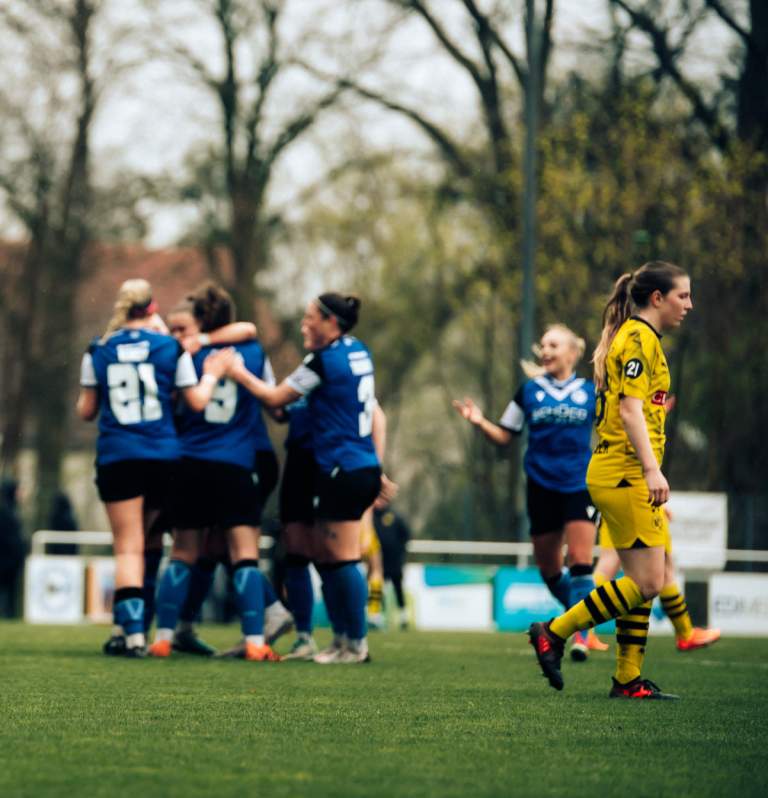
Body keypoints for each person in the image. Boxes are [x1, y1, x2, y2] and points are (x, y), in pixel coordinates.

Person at [529, 260, 693, 699]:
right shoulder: (638, 336)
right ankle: (554, 633)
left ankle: (627, 678)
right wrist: (652, 468)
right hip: (624, 473)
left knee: (644, 580)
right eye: (683, 296)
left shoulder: (638, 337)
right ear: (656, 298)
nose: (689, 305)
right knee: (648, 582)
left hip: (619, 471)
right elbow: (629, 410)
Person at [77, 278, 233, 657]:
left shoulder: (99, 348)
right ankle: (132, 628)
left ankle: (129, 633)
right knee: (148, 543)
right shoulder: (168, 347)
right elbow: (194, 400)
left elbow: (86, 411)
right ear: (152, 308)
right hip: (164, 456)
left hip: (119, 455)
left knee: (128, 548)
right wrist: (212, 374)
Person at [229, 293, 382, 664]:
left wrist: (235, 372)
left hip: (340, 466)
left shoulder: (324, 360)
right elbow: (294, 404)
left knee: (340, 558)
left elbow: (276, 395)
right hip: (339, 465)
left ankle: (355, 642)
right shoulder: (356, 350)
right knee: (316, 554)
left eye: (310, 317)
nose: (303, 324)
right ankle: (330, 639)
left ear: (330, 321)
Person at [147, 283, 285, 662]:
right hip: (236, 464)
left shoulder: (184, 355)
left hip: (190, 463)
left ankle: (163, 636)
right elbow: (270, 398)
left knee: (183, 554)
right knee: (245, 556)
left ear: (201, 322)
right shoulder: (253, 353)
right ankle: (256, 641)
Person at [453, 324, 602, 660]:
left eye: (553, 345)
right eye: (543, 346)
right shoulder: (529, 391)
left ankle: (581, 636)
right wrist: (479, 421)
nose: (545, 351)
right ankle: (579, 617)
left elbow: (615, 429)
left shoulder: (591, 392)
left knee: (580, 562)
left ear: (573, 352)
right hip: (540, 486)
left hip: (580, 484)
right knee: (550, 569)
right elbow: (506, 436)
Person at [594, 513, 720, 651]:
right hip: (644, 505)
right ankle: (685, 633)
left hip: (612, 504)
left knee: (608, 563)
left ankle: (583, 635)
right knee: (662, 567)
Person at [373, 499, 411, 630]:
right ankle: (378, 618)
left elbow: (406, 535)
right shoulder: (371, 518)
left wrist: (399, 551)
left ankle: (404, 617)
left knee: (398, 588)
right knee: (377, 588)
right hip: (378, 561)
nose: (378, 503)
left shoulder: (395, 517)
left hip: (394, 561)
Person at [0, 479, 26, 618]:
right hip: (6, 562)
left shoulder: (11, 511)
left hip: (11, 562)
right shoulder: (6, 512)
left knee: (10, 593)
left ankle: (9, 615)